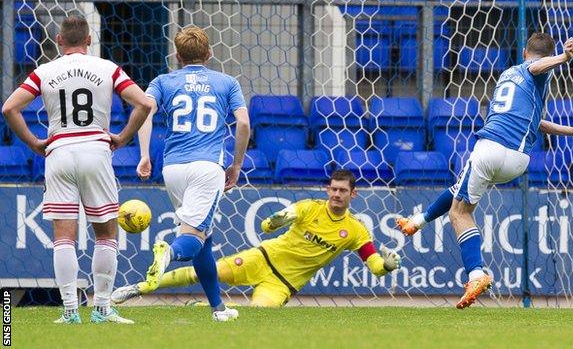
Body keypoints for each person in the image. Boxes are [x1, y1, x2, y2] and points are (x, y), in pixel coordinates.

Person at [396, 33, 573, 309]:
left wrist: (564, 58)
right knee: (460, 190)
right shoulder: (535, 80)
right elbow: (536, 120)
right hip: (518, 160)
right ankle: (418, 221)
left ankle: (476, 274)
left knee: (460, 213)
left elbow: (537, 65)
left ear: (524, 51)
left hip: (491, 147)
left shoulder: (511, 72)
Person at [1, 16, 151, 324]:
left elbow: (9, 108)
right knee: (107, 234)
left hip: (59, 153)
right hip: (96, 151)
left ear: (58, 40)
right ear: (89, 41)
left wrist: (34, 143)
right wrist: (122, 137)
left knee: (64, 237)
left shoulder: (45, 71)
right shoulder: (107, 68)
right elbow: (145, 103)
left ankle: (70, 311)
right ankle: (103, 308)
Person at [111, 169, 401, 307]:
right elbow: (267, 224)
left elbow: (374, 266)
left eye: (343, 191)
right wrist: (275, 220)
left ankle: (205, 308)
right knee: (198, 272)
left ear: (353, 194)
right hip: (261, 258)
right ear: (327, 190)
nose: (337, 194)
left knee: (258, 314)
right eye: (333, 189)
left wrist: (386, 265)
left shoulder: (356, 230)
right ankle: (136, 288)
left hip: (283, 283)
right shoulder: (307, 208)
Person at [131, 26, 250, 321]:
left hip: (173, 168)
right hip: (207, 167)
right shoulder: (227, 82)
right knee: (193, 237)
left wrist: (145, 154)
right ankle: (168, 254)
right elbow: (243, 124)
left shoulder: (163, 81)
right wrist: (235, 165)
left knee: (204, 238)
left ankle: (218, 308)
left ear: (177, 54)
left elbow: (144, 111)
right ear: (209, 53)